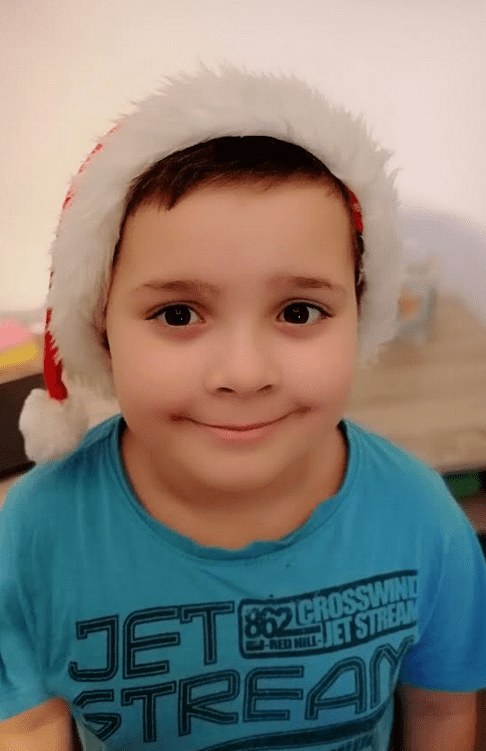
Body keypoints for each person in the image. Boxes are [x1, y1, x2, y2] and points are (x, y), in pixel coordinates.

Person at [1, 63, 485, 751]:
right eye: (177, 313)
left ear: (362, 315)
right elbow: (29, 723)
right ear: (101, 325)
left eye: (299, 311)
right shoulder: (35, 534)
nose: (244, 373)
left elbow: (442, 714)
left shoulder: (422, 521)